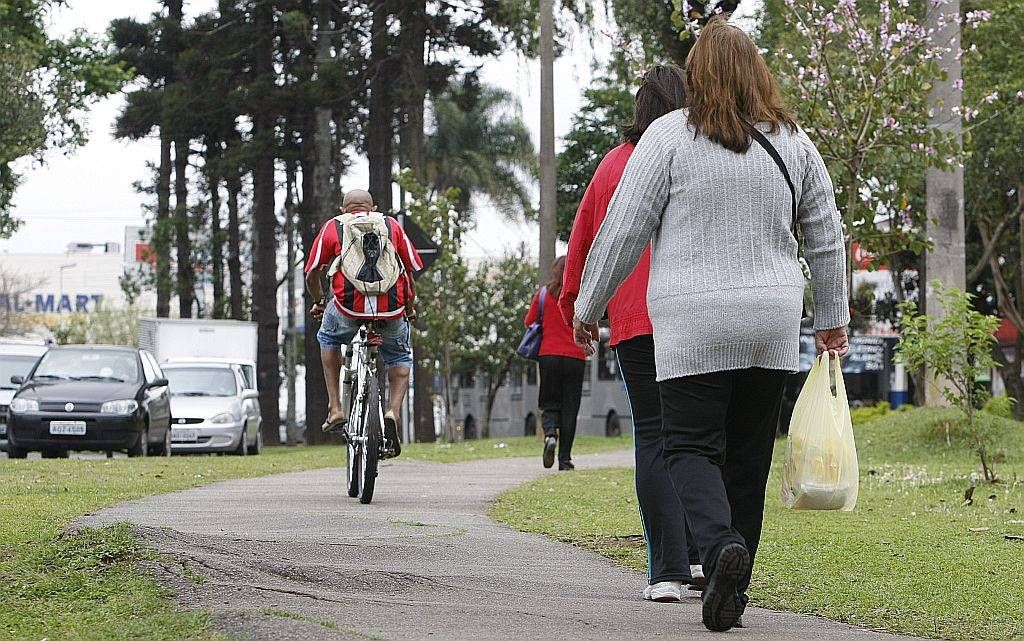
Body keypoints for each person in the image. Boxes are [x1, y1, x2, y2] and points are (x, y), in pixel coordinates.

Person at [573, 16, 849, 632]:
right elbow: (826, 235)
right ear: (758, 73)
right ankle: (733, 585)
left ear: (696, 74)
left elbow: (623, 231)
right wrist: (832, 318)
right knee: (747, 458)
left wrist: (588, 308)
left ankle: (720, 546)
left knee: (689, 447)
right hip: (771, 323)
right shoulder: (794, 142)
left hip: (692, 324)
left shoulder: (668, 137)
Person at [558, 64, 702, 603]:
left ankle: (667, 571)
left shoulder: (615, 164)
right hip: (694, 316)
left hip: (635, 321)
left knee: (654, 435)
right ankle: (700, 554)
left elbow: (584, 240)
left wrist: (578, 308)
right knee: (699, 435)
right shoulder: (702, 155)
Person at [305, 188, 424, 457]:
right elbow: (410, 270)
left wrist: (320, 301)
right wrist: (409, 308)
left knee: (328, 338)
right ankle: (393, 412)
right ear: (374, 208)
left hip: (348, 307)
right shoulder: (390, 225)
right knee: (400, 357)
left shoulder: (334, 226)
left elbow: (312, 273)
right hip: (391, 309)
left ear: (343, 209)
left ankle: (335, 408)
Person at [524, 256, 586, 471]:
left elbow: (529, 321)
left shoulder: (543, 294)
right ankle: (565, 459)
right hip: (575, 357)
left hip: (548, 355)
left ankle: (550, 435)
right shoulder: (579, 295)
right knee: (570, 408)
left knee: (549, 402)